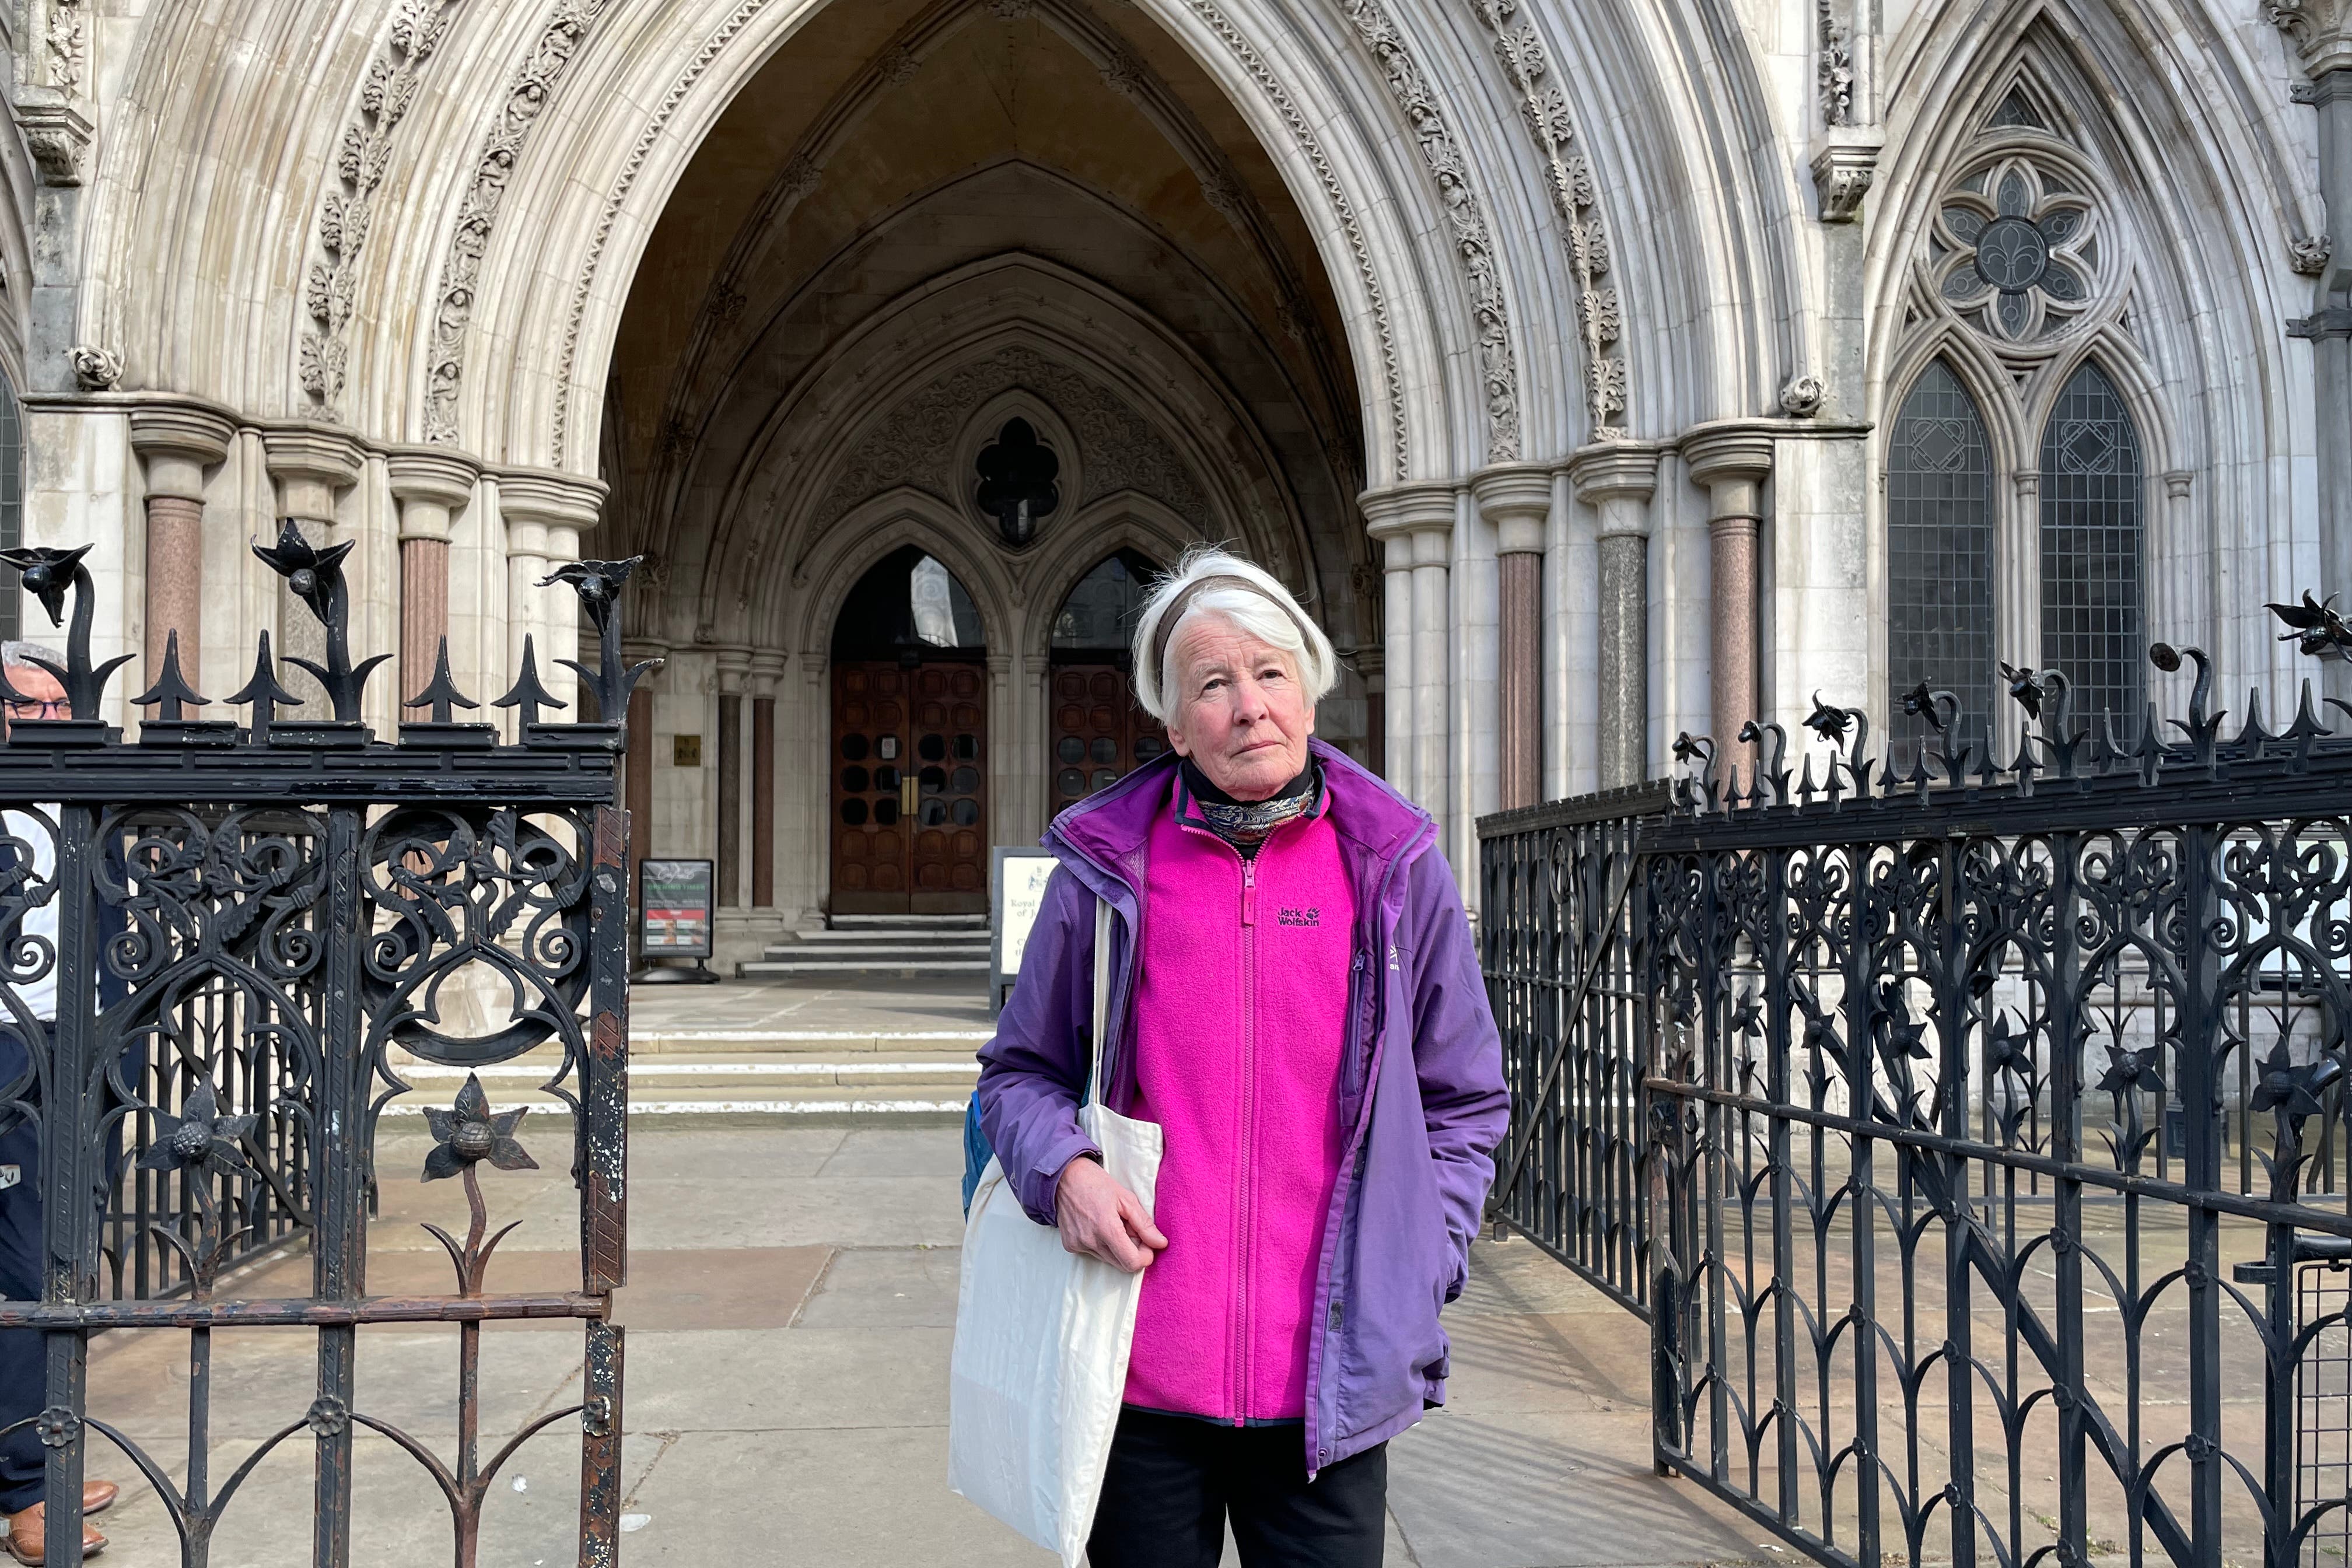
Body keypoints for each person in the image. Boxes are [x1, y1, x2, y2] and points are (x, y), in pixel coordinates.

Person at [975, 548, 1509, 1567]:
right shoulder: (1106, 870)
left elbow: (1465, 1099)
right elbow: (1018, 1075)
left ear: (1309, 693)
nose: (1247, 706)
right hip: (1138, 1379)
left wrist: (1421, 1259)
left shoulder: (1397, 869)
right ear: (1175, 725)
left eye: (1270, 673)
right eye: (1213, 684)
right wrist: (1066, 1174)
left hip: (1330, 1381)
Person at [0, 645, 117, 1563]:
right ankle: (28, 1493)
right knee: (24, 1268)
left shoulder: (78, 802)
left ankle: (45, 1452)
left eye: (59, 707)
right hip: (6, 1050)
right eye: (31, 708)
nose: (51, 722)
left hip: (74, 1046)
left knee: (65, 1254)